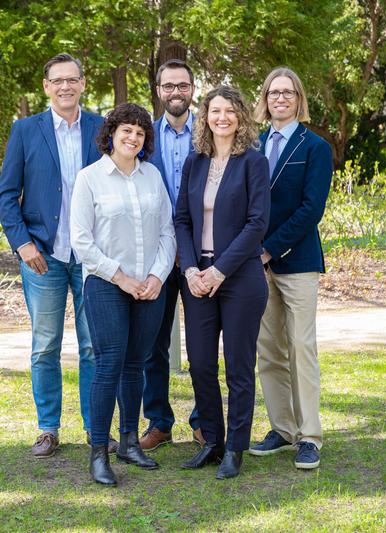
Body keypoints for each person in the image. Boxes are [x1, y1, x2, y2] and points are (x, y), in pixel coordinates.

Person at [0, 53, 116, 459]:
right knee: (45, 345)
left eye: (72, 79)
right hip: (42, 256)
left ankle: (94, 428)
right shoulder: (25, 131)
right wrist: (23, 243)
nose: (65, 87)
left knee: (93, 346)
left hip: (91, 256)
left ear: (83, 83)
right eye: (57, 81)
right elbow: (7, 196)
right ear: (46, 86)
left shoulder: (103, 128)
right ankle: (48, 429)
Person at [70, 103, 175, 486]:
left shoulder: (152, 177)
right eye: (126, 130)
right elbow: (82, 242)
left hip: (150, 285)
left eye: (140, 133)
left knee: (137, 363)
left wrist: (156, 276)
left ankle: (131, 442)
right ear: (111, 133)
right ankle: (100, 451)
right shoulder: (90, 179)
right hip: (105, 284)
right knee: (109, 362)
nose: (133, 138)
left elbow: (167, 231)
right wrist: (123, 279)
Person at [175, 86, 270, 479]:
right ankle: (212, 440)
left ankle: (235, 447)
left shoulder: (253, 162)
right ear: (206, 116)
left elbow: (256, 224)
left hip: (239, 278)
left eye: (230, 111)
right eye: (216, 111)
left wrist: (220, 271)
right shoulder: (195, 162)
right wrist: (191, 270)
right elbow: (181, 219)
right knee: (199, 363)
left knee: (238, 366)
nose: (223, 117)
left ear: (241, 117)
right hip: (197, 278)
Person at [248, 67, 333, 470]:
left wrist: (268, 250)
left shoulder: (314, 147)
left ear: (299, 99)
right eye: (273, 92)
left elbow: (310, 210)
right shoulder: (254, 144)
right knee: (268, 349)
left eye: (288, 93)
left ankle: (309, 436)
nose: (280, 99)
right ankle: (282, 429)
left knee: (301, 347)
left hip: (296, 262)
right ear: (264, 99)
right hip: (256, 265)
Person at [141, 59, 202, 451]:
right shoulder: (143, 136)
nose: (175, 92)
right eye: (168, 86)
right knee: (152, 343)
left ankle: (204, 421)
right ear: (159, 90)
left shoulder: (211, 131)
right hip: (156, 257)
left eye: (182, 85)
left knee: (201, 345)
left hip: (201, 255)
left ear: (192, 89)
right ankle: (159, 421)